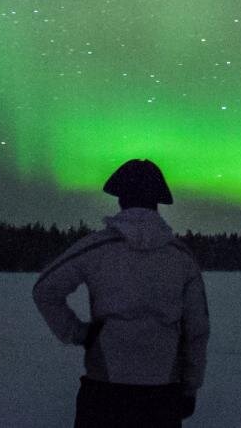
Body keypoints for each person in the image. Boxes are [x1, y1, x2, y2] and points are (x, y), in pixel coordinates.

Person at [33, 159, 210, 428]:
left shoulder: (96, 248)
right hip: (162, 395)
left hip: (105, 393)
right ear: (157, 203)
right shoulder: (181, 257)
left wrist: (78, 333)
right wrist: (190, 386)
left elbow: (45, 290)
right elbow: (197, 330)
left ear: (120, 200)